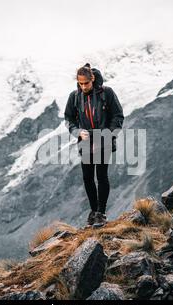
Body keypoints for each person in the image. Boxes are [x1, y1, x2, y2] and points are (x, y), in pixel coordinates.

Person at [64, 63, 124, 227]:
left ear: (93, 79)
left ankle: (101, 213)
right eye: (80, 83)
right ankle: (93, 211)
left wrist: (108, 135)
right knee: (87, 177)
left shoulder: (107, 93)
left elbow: (118, 116)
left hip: (103, 139)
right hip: (85, 141)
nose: (83, 86)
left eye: (86, 83)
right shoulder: (74, 96)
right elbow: (69, 119)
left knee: (102, 176)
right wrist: (77, 132)